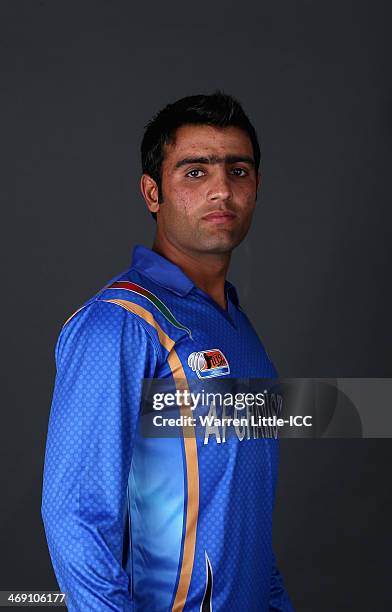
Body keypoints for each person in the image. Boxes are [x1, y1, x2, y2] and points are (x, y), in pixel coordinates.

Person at [41, 92, 293, 611]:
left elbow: (243, 516)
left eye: (238, 171)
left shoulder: (237, 328)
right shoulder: (119, 323)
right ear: (152, 193)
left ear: (257, 188)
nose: (222, 190)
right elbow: (76, 515)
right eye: (195, 173)